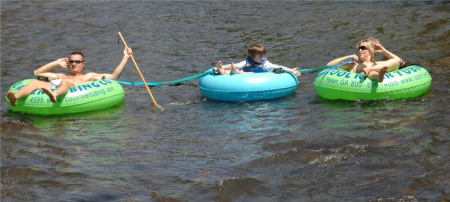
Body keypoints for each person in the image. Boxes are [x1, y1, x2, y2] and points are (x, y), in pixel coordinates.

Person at [7, 47, 133, 106]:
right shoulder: (60, 75)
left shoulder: (88, 76)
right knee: (34, 83)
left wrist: (125, 58)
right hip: (54, 85)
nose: (74, 64)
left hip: (72, 87)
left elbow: (113, 77)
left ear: (83, 64)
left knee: (66, 83)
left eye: (77, 62)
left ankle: (55, 95)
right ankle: (16, 97)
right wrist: (56, 62)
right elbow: (37, 74)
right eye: (71, 61)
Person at [326, 37, 405, 82]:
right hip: (367, 77)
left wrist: (384, 51)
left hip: (375, 71)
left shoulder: (378, 63)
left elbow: (400, 62)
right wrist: (348, 57)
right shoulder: (354, 64)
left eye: (363, 48)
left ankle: (373, 71)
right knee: (372, 73)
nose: (360, 50)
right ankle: (377, 75)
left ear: (370, 50)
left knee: (373, 71)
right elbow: (329, 65)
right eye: (359, 48)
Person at [214, 43, 301, 76]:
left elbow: (278, 67)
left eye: (263, 56)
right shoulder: (247, 62)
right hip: (244, 75)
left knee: (248, 73)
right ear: (252, 58)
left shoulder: (265, 63)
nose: (262, 58)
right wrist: (223, 67)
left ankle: (237, 72)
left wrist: (291, 70)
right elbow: (236, 65)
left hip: (255, 75)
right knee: (233, 70)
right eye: (260, 57)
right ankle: (222, 70)